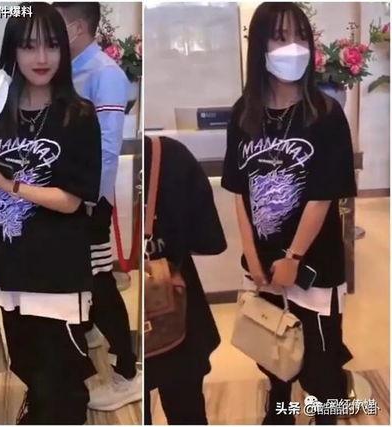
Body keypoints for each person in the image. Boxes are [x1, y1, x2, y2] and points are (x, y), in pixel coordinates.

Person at [0, 3, 101, 424]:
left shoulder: (77, 115)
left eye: (52, 45)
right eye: (29, 46)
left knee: (63, 375)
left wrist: (9, 185)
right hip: (8, 265)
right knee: (26, 361)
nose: (41, 57)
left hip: (56, 271)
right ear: (12, 51)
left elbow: (72, 200)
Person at [222, 3, 356, 425]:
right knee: (272, 349)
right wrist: (252, 256)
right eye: (280, 38)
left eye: (301, 36)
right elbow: (240, 191)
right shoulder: (244, 114)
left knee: (320, 361)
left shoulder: (326, 114)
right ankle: (279, 411)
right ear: (259, 46)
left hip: (313, 264)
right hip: (262, 262)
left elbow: (322, 197)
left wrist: (293, 258)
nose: (293, 47)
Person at [55, 2, 141, 411]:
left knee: (100, 278)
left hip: (88, 200)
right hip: (65, 197)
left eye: (56, 25)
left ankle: (129, 368)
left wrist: (90, 202)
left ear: (76, 27)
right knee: (80, 274)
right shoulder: (65, 70)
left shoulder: (105, 74)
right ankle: (89, 331)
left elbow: (107, 149)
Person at [144, 136, 227, 425]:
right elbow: (210, 241)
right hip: (176, 312)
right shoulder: (170, 154)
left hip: (118, 310)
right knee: (186, 409)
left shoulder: (87, 154)